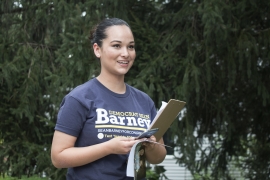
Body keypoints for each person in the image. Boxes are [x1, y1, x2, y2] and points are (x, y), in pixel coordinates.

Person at [51, 17, 167, 180]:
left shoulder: (144, 101)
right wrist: (108, 147)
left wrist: (150, 145)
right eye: (116, 46)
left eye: (131, 47)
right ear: (97, 49)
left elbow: (157, 157)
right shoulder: (79, 98)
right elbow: (58, 157)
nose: (126, 53)